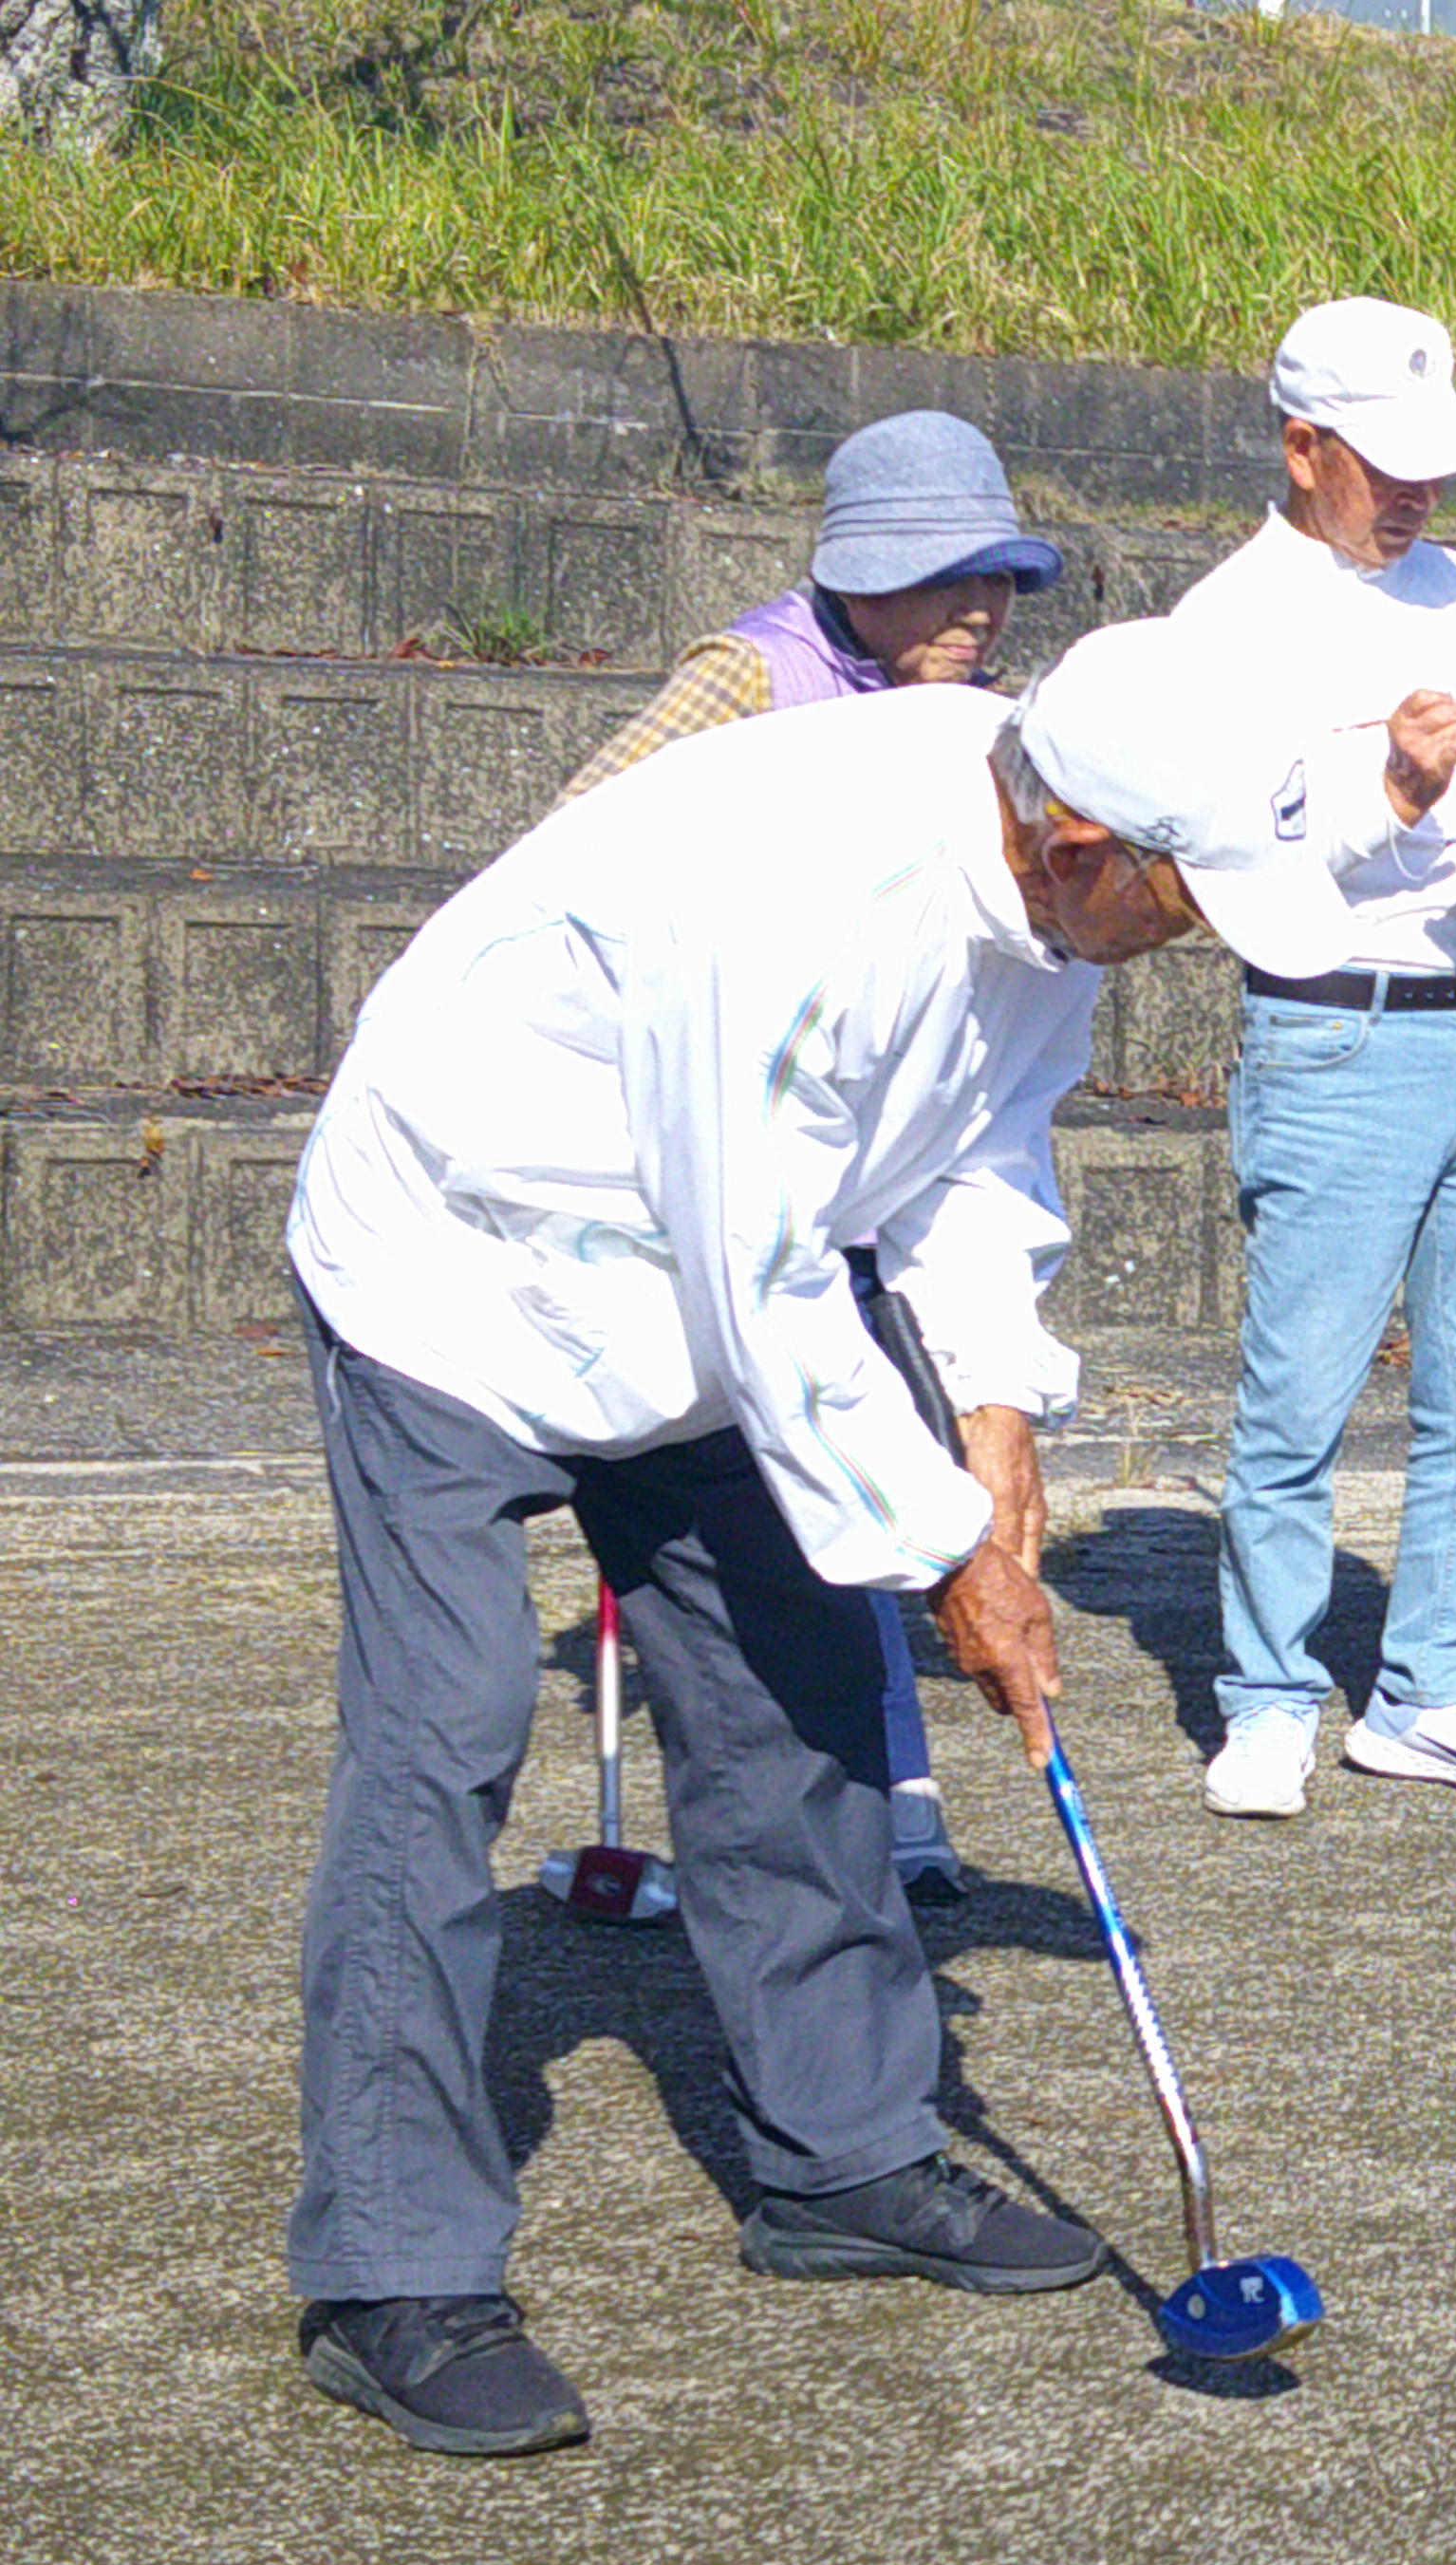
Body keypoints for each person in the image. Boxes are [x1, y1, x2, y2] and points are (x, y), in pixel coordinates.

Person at [282, 617, 1369, 2457]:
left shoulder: (1049, 855)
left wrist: (998, 1407)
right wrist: (951, 1549)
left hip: (696, 1305)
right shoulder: (801, 893)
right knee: (446, 1735)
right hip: (460, 1265)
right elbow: (766, 1271)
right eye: (1185, 904)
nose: (1185, 942)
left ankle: (838, 2155)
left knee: (794, 1698)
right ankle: (388, 2265)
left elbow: (972, 1146)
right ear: (1081, 848)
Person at [558, 409, 1069, 1909]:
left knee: (884, 1459)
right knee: (753, 1512)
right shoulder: (752, 676)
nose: (981, 609)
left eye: (1003, 579)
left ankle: (897, 1803)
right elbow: (581, 849)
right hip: (702, 1155)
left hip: (866, 1160)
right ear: (855, 573)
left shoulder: (987, 726)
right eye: (945, 577)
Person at [1169, 296, 1456, 1820]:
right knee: (1298, 1396)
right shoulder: (1226, 622)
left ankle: (1432, 1688)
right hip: (1337, 1031)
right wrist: (1396, 788)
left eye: (1435, 461)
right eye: (1382, 462)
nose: (1417, 491)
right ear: (1303, 447)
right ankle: (1271, 1693)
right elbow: (1227, 853)